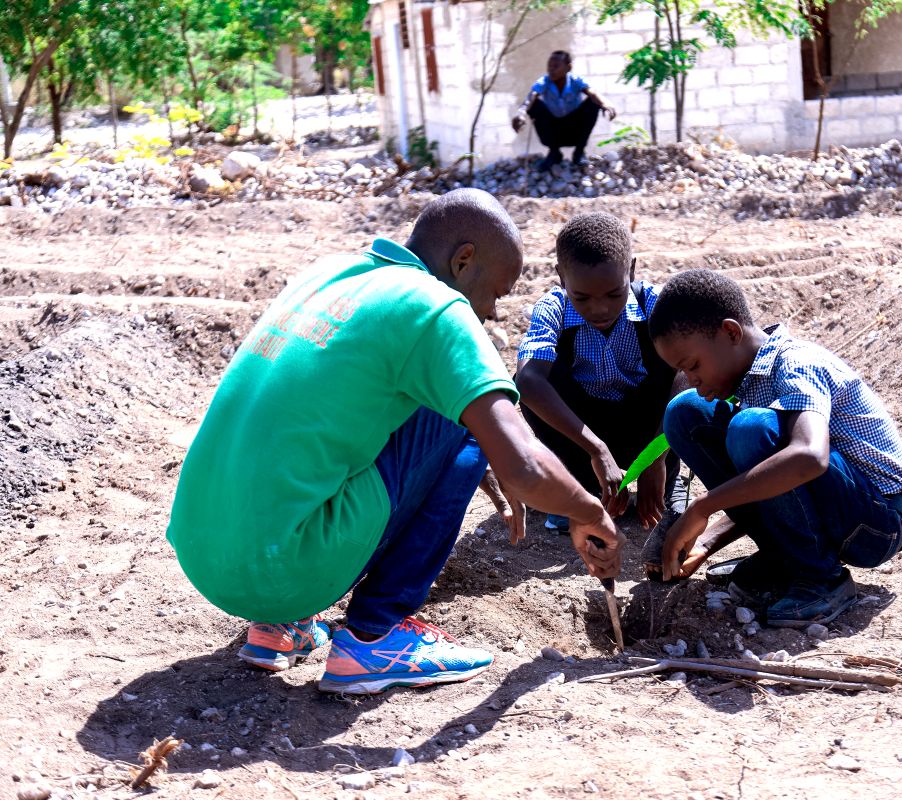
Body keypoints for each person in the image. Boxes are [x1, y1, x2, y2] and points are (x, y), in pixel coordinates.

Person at [166, 189, 623, 695]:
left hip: (206, 552)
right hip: (286, 566)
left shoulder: (332, 273)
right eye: (496, 293)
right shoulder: (436, 307)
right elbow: (525, 465)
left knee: (378, 417)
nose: (492, 313)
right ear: (463, 260)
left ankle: (280, 625)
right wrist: (588, 511)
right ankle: (374, 636)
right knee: (470, 407)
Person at [646, 269, 902, 627]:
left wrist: (702, 506)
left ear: (730, 332)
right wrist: (706, 542)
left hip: (876, 524)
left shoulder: (795, 364)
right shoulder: (748, 378)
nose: (694, 381)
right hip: (837, 508)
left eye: (693, 366)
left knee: (750, 429)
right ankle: (784, 558)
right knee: (685, 412)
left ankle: (822, 578)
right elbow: (765, 481)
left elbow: (808, 458)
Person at [515, 212, 686, 544]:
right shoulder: (552, 310)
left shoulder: (654, 303)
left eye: (613, 294)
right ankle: (578, 488)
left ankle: (669, 478)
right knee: (533, 381)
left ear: (631, 271)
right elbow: (528, 381)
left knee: (682, 372)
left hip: (649, 433)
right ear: (562, 279)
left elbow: (692, 375)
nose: (600, 309)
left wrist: (655, 456)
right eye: (582, 298)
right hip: (584, 438)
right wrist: (597, 450)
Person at [511, 50, 617, 170]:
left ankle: (579, 152)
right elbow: (531, 96)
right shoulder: (544, 82)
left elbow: (592, 93)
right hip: (553, 128)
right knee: (534, 106)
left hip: (575, 127)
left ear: (568, 67)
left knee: (593, 103)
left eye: (556, 66)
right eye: (549, 66)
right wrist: (521, 113)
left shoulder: (576, 81)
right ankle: (554, 153)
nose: (551, 69)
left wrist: (604, 103)